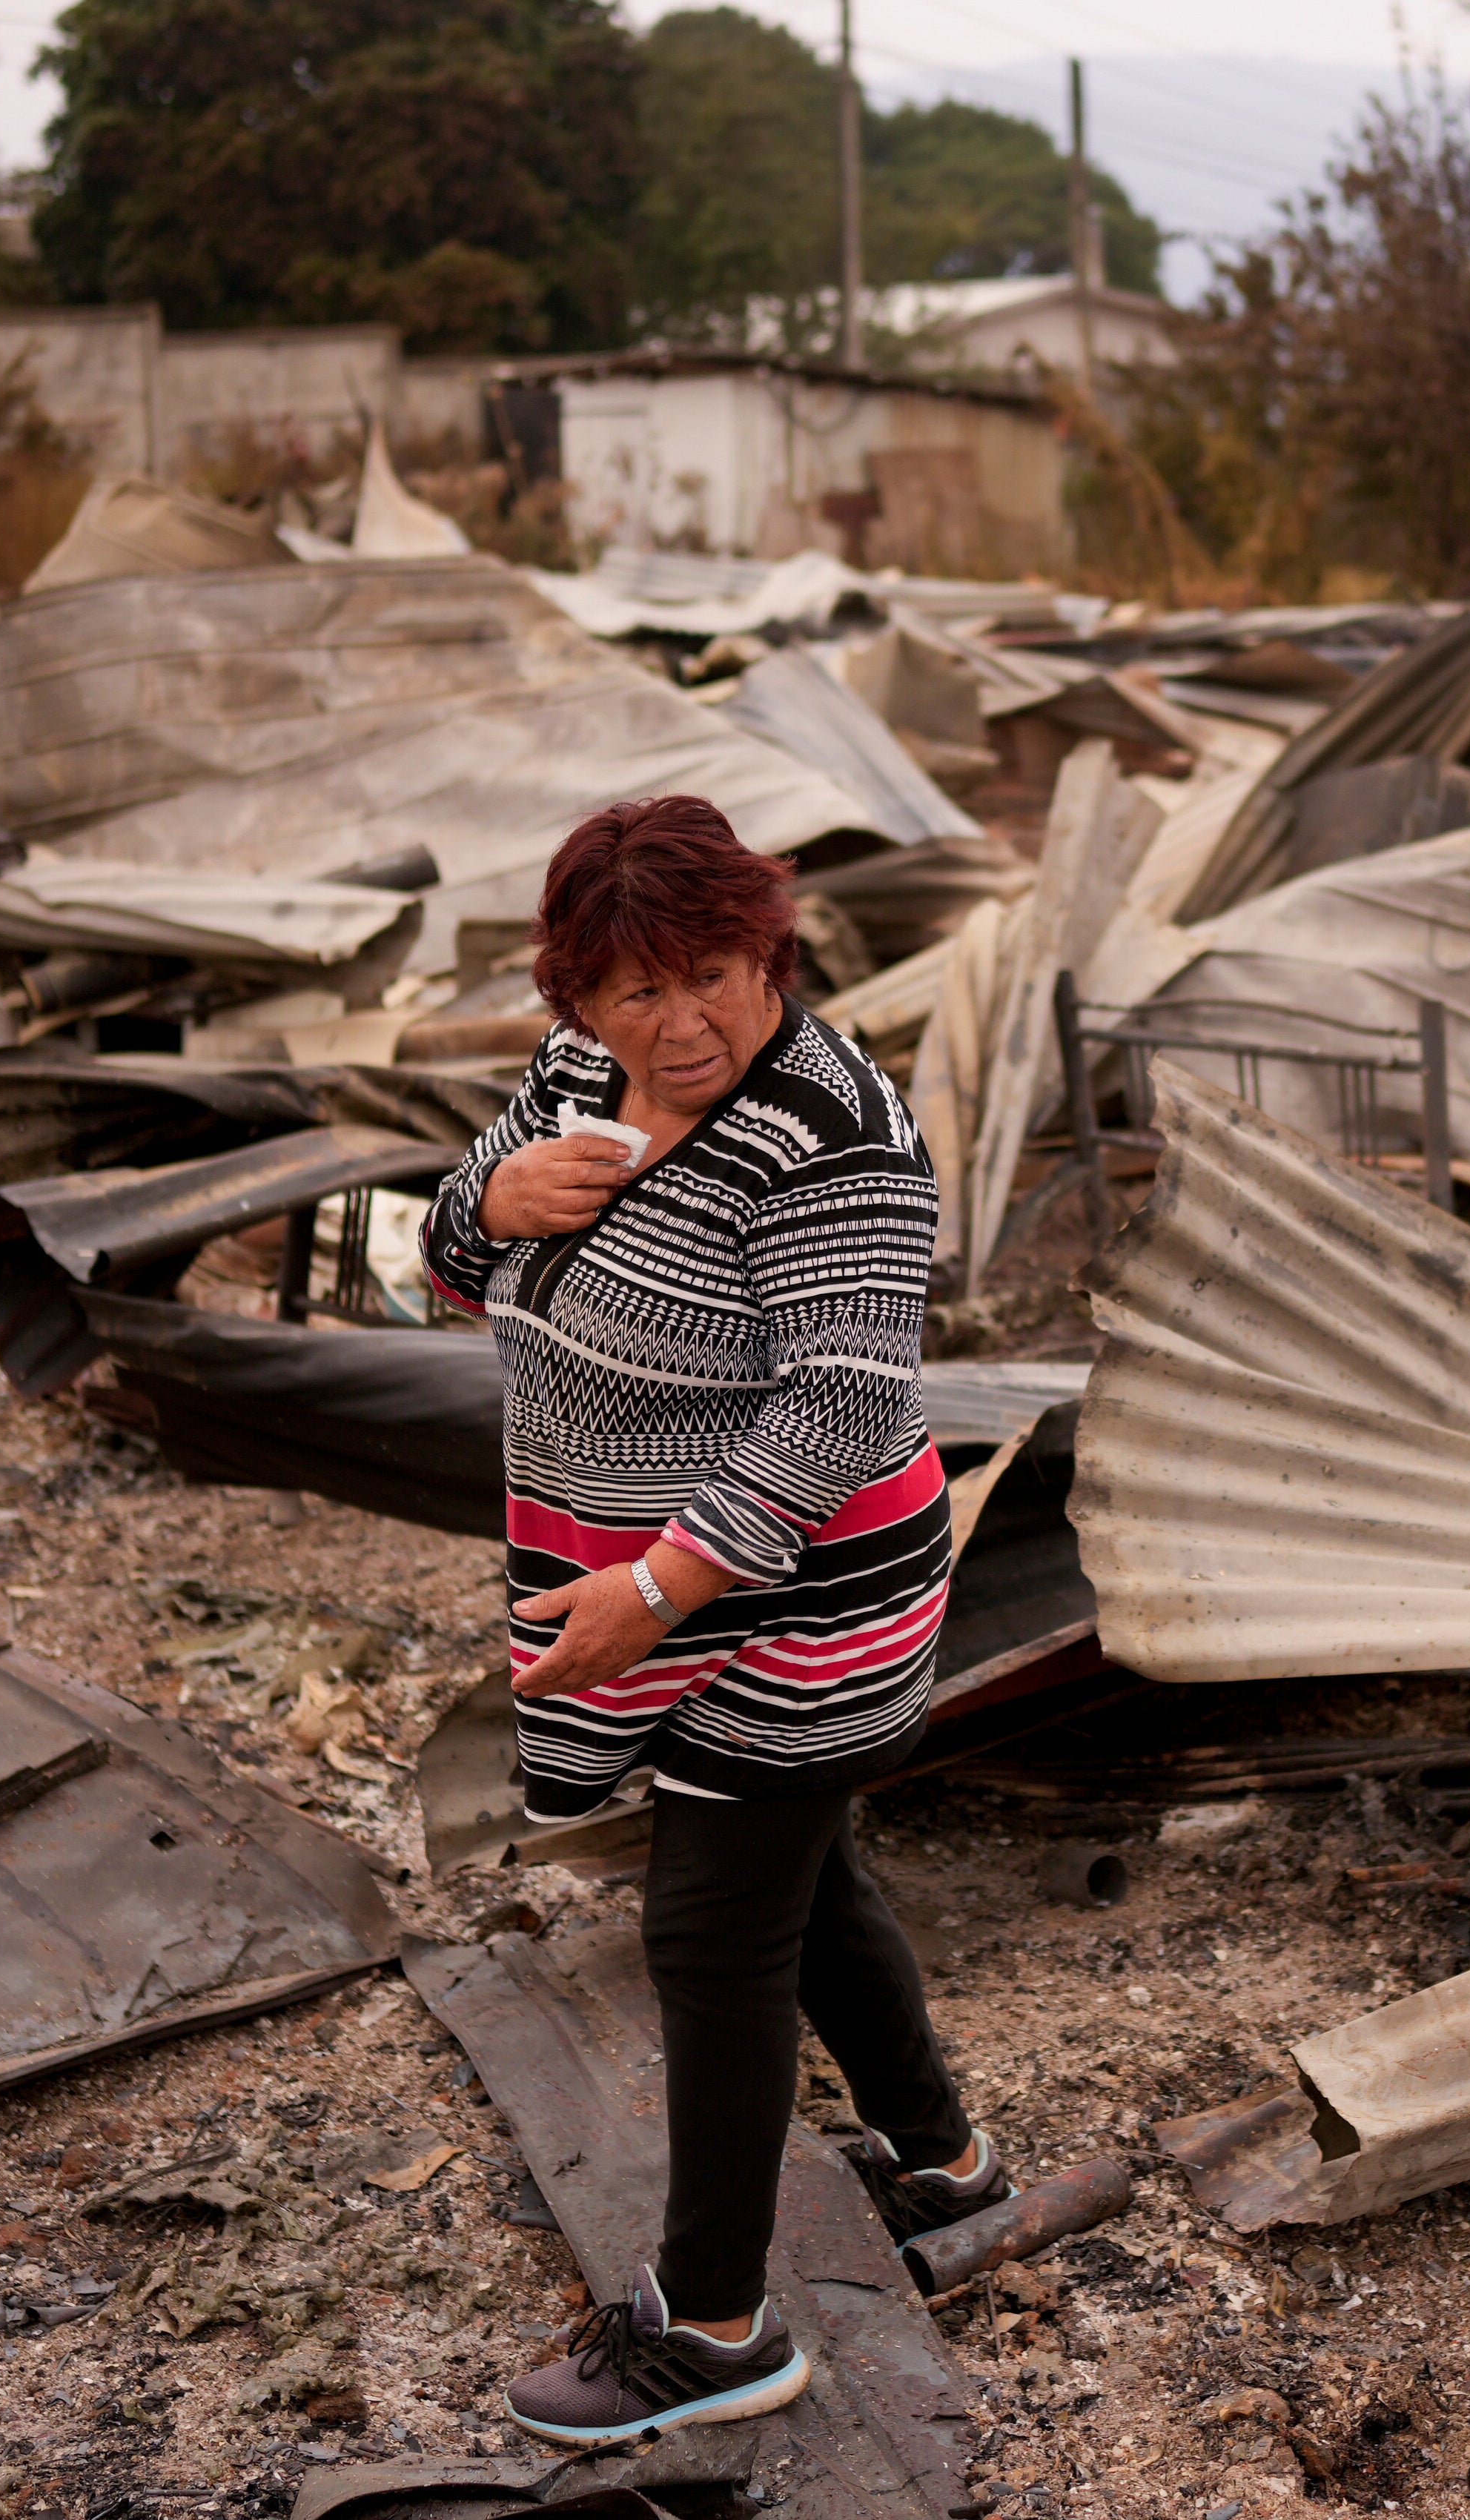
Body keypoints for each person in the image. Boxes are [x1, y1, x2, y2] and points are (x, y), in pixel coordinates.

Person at [422, 795, 1010, 2449]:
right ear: (574, 997)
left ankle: (718, 2325)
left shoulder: (835, 1137)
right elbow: (454, 1264)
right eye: (634, 993)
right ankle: (944, 2160)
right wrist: (492, 1204)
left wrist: (663, 1586)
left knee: (710, 1935)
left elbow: (835, 1411)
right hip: (639, 1587)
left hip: (798, 1600)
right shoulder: (566, 1079)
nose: (682, 1023)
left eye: (716, 972)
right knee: (804, 1884)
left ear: (771, 947)